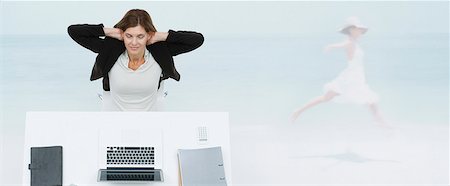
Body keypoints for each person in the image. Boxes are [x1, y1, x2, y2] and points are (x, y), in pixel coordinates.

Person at [68, 9, 204, 111]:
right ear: (122, 35)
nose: (134, 42)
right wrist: (110, 32)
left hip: (150, 124)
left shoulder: (159, 51)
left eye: (140, 36)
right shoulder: (110, 49)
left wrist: (160, 36)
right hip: (115, 123)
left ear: (148, 36)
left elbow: (197, 40)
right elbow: (73, 31)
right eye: (129, 36)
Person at [290, 17, 387, 127]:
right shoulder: (349, 43)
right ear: (351, 30)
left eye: (361, 29)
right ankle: (298, 111)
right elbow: (343, 45)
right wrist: (331, 46)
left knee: (369, 101)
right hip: (351, 78)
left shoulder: (353, 43)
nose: (360, 31)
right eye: (358, 29)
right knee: (368, 101)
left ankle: (382, 123)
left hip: (356, 77)